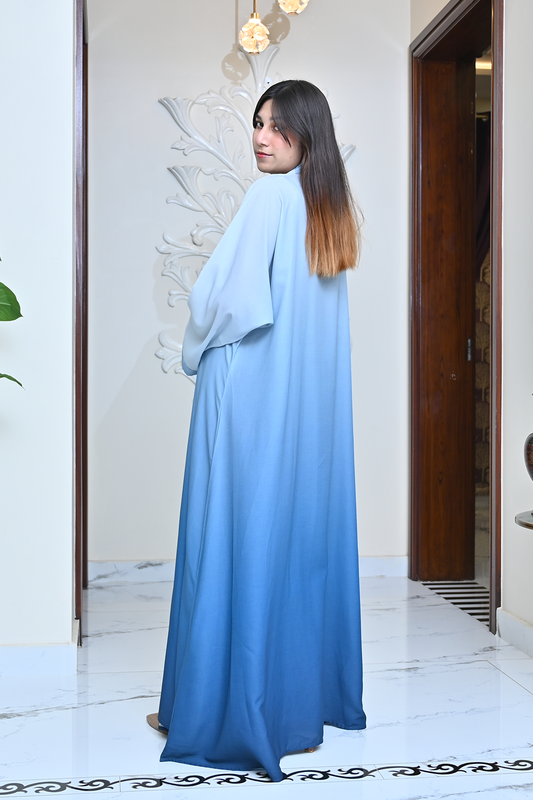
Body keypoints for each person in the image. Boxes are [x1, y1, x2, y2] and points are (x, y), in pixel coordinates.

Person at [147, 79, 366, 783]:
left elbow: (227, 300)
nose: (261, 138)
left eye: (277, 126)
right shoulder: (328, 209)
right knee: (293, 539)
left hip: (247, 396)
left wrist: (195, 348)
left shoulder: (269, 198)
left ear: (307, 132)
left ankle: (220, 709)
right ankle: (296, 707)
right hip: (304, 411)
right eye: (258, 122)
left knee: (229, 535)